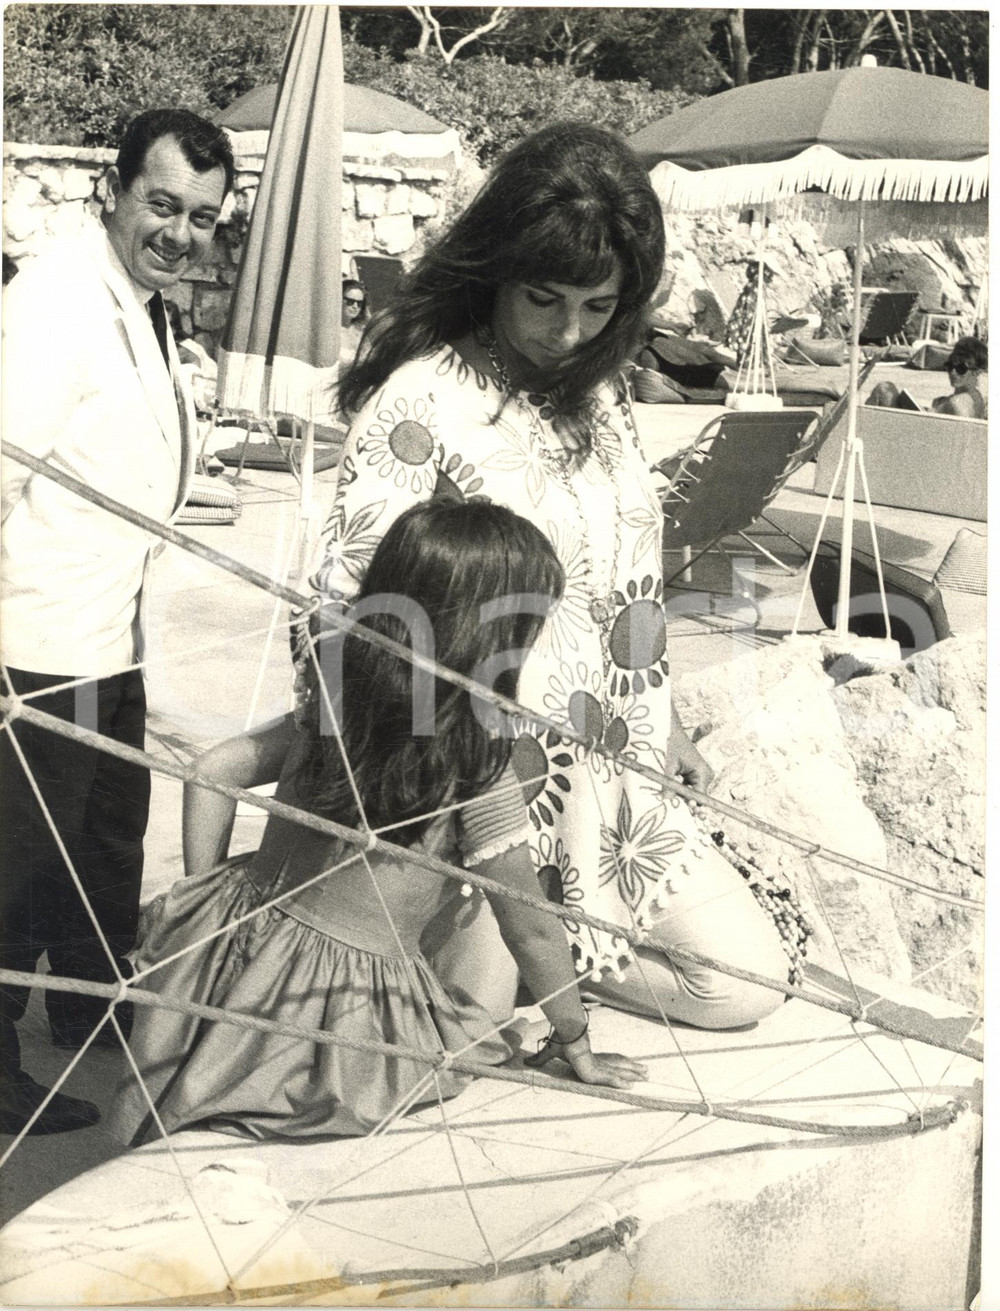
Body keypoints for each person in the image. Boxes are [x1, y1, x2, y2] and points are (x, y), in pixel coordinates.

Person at [312, 122, 803, 1032]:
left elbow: (627, 581)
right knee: (469, 1033)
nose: (569, 330)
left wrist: (668, 719)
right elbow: (349, 608)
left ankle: (563, 951)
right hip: (477, 791)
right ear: (497, 266)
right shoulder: (422, 401)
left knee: (743, 982)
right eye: (543, 299)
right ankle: (521, 960)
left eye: (598, 306)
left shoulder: (601, 397)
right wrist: (435, 786)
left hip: (610, 779)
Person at [111, 501, 647, 1144]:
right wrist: (575, 1041)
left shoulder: (335, 696)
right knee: (476, 1016)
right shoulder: (477, 763)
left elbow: (212, 772)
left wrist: (212, 904)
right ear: (494, 640)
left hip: (235, 941)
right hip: (341, 1006)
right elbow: (529, 926)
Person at [0, 108, 233, 1135]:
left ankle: (90, 1011)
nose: (181, 232)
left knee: (101, 849)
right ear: (114, 189)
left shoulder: (145, 299)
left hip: (109, 632)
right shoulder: (55, 302)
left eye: (202, 216)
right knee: (12, 864)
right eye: (162, 204)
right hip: (33, 639)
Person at [930, 336, 987, 418]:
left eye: (961, 368)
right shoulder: (977, 397)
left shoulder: (957, 403)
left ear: (977, 372)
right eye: (949, 366)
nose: (953, 372)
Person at [340, 276, 368, 369]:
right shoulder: (329, 331)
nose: (355, 306)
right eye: (350, 301)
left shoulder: (362, 331)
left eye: (359, 303)